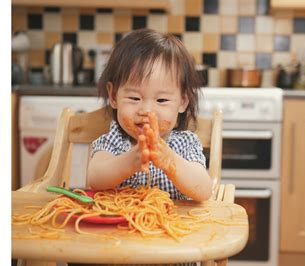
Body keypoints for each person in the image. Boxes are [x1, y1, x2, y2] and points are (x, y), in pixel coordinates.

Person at [87, 29, 212, 202]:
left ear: (182, 102)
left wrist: (170, 161)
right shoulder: (113, 140)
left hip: (174, 225)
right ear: (114, 96)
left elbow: (204, 190)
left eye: (161, 100)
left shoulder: (185, 144)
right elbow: (94, 179)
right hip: (120, 226)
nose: (146, 110)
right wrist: (129, 162)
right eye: (134, 98)